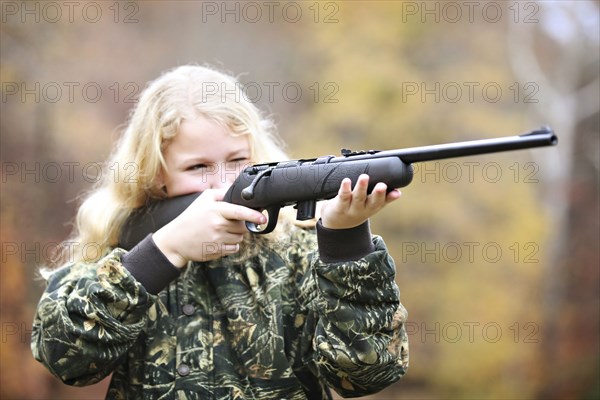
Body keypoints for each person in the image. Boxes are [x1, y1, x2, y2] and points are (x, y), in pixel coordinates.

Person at [31, 65, 409, 399]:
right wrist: (165, 251)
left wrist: (345, 240)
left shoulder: (297, 247)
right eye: (198, 167)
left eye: (238, 161)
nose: (222, 183)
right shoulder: (117, 242)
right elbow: (66, 359)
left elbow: (365, 374)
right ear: (156, 172)